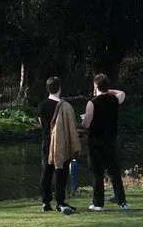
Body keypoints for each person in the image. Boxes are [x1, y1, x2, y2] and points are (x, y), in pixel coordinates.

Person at [81, 73, 127, 210]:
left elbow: (86, 124)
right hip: (111, 140)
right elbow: (122, 93)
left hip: (96, 142)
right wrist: (108, 90)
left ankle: (98, 203)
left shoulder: (92, 103)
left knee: (97, 173)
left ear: (95, 86)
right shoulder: (114, 99)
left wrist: (83, 120)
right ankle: (122, 201)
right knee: (114, 172)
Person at [39, 77, 81, 214]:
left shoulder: (43, 106)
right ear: (60, 88)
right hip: (61, 144)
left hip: (47, 142)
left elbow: (42, 124)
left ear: (47, 89)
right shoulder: (66, 106)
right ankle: (60, 201)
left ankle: (46, 200)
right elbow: (71, 126)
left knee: (46, 172)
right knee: (60, 173)